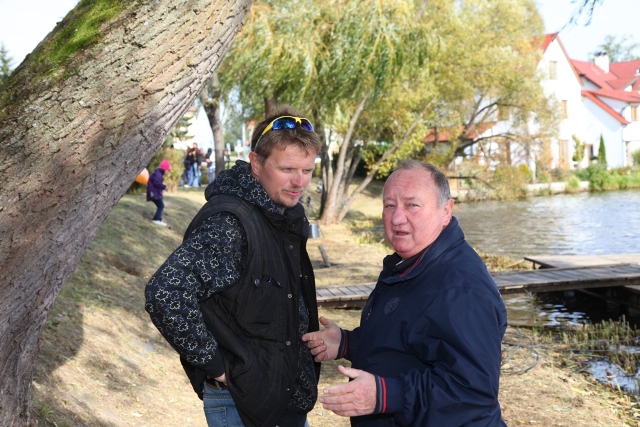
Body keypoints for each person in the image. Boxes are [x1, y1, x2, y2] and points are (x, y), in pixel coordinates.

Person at [145, 105, 323, 427]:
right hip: (241, 403)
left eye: (307, 170)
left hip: (281, 401)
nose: (299, 181)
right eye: (287, 169)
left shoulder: (282, 215)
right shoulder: (231, 224)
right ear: (256, 163)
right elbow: (166, 292)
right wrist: (218, 367)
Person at [303, 159, 508, 426]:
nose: (397, 218)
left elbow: (472, 395)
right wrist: (347, 343)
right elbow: (407, 341)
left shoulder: (462, 289)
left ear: (446, 211)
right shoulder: (412, 263)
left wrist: (385, 395)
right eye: (390, 205)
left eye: (412, 205)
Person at [147, 159, 171, 227]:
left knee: (160, 205)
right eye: (168, 170)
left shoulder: (159, 173)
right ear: (165, 169)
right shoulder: (158, 174)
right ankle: (156, 219)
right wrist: (164, 187)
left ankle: (159, 218)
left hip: (155, 193)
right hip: (153, 193)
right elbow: (156, 183)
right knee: (161, 206)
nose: (168, 172)